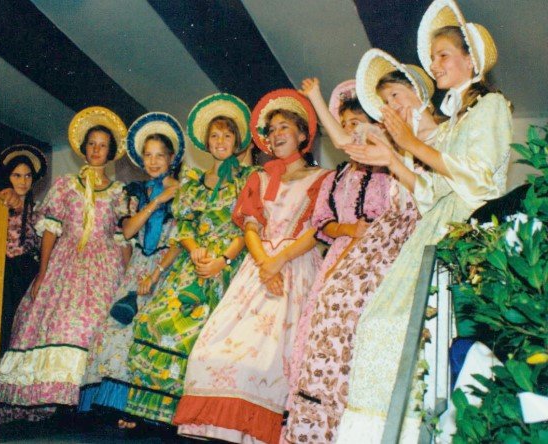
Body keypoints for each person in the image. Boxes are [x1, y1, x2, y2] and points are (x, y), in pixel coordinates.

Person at [336, 0, 512, 441]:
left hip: (463, 232)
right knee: (380, 322)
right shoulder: (453, 123)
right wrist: (392, 160)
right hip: (436, 227)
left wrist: (411, 144)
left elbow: (478, 179)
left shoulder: (491, 106)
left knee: (412, 332)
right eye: (432, 57)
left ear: (471, 60)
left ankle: (413, 429)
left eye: (443, 55)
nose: (434, 65)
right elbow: (431, 191)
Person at [284, 51, 437, 443]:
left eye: (396, 98)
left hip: (396, 247)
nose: (391, 107)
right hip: (365, 247)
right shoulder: (378, 147)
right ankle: (316, 425)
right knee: (329, 321)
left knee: (361, 330)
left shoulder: (428, 140)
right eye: (385, 102)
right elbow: (342, 142)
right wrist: (316, 99)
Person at [174, 89, 330, 444]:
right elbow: (250, 226)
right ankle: (221, 430)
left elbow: (316, 229)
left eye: (284, 127)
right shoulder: (258, 178)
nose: (276, 134)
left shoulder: (322, 178)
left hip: (295, 266)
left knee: (269, 360)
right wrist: (263, 264)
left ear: (303, 134)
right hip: (257, 267)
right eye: (271, 130)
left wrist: (279, 262)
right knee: (210, 351)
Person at [117, 93, 255, 428]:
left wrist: (222, 260)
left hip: (227, 264)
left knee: (198, 335)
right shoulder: (194, 181)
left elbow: (251, 226)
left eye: (227, 135)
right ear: (206, 142)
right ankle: (146, 409)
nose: (220, 141)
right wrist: (193, 249)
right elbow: (185, 226)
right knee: (153, 321)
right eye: (215, 135)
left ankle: (188, 415)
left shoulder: (250, 177)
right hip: (191, 260)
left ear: (237, 141)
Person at [0, 106, 130, 422]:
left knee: (95, 327)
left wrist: (127, 281)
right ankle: (56, 399)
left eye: (103, 145)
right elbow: (50, 231)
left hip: (104, 266)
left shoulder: (119, 192)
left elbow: (122, 239)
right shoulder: (66, 185)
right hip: (66, 262)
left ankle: (88, 402)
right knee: (60, 324)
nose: (96, 150)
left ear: (110, 151)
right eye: (92, 144)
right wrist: (43, 272)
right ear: (84, 148)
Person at [77, 112, 185, 414]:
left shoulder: (185, 190)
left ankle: (140, 407)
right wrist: (156, 202)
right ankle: (115, 404)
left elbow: (181, 239)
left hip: (167, 266)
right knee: (114, 328)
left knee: (149, 331)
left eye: (159, 155)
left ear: (171, 158)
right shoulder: (136, 190)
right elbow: (128, 230)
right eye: (147, 155)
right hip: (138, 264)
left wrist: (157, 274)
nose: (153, 161)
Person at [0, 144, 48, 358]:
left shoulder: (39, 211)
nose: (23, 181)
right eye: (17, 175)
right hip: (1, 270)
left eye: (28, 176)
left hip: (25, 272)